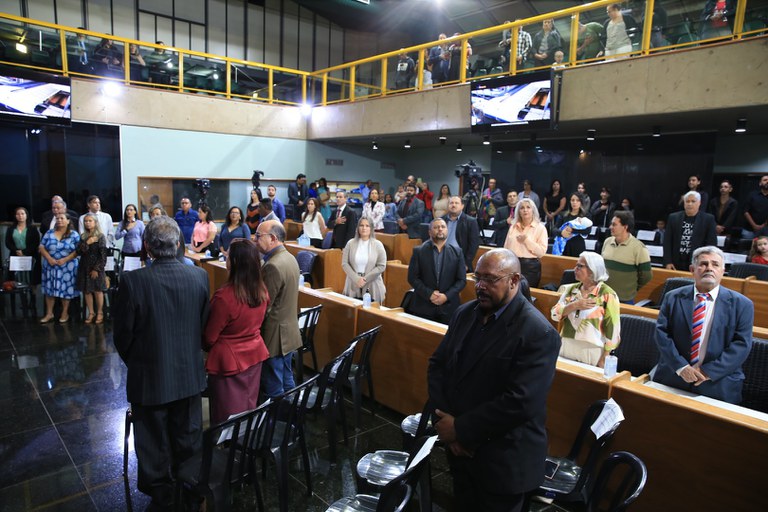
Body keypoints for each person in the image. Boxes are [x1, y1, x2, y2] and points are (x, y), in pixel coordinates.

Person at [428, 248, 560, 511]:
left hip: (504, 461)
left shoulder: (537, 331)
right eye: (477, 278)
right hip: (460, 453)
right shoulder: (464, 314)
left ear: (514, 281)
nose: (480, 286)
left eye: (490, 279)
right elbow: (438, 366)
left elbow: (520, 402)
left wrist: (460, 429)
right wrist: (446, 426)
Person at [114, 216, 210, 509]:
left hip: (150, 378)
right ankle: (188, 489)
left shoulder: (133, 281)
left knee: (153, 443)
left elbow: (122, 336)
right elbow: (202, 326)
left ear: (147, 246)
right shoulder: (200, 277)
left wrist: (142, 363)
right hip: (189, 375)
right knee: (188, 437)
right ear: (179, 243)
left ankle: (163, 496)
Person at [651, 246, 753, 404]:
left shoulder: (742, 304)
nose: (709, 268)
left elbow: (741, 345)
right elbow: (662, 334)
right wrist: (681, 367)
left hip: (718, 383)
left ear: (723, 271)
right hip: (674, 376)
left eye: (715, 264)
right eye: (703, 264)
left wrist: (707, 371)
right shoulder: (673, 297)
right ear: (692, 269)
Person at [203, 239, 271, 425]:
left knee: (226, 414)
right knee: (248, 406)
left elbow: (209, 337)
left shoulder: (225, 297)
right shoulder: (261, 290)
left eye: (227, 256)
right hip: (254, 354)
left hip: (228, 362)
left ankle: (228, 443)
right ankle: (245, 439)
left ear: (233, 262)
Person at [255, 220, 302, 398]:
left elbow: (265, 306)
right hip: (288, 332)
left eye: (259, 236)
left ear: (273, 238)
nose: (255, 239)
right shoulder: (290, 257)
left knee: (273, 387)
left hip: (275, 337)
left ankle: (279, 415)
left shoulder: (272, 265)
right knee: (287, 380)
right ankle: (292, 412)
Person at [551, 252, 621, 367]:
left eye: (580, 266)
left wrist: (606, 356)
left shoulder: (607, 294)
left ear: (593, 270)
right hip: (567, 344)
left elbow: (613, 329)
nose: (575, 269)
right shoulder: (571, 290)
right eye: (576, 265)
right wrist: (574, 305)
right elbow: (554, 314)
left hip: (591, 349)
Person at [407, 218, 467, 324]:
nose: (440, 229)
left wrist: (446, 296)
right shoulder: (418, 251)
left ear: (447, 230)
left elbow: (461, 280)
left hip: (449, 307)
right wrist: (429, 294)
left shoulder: (457, 252)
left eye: (443, 227)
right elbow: (412, 278)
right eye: (436, 227)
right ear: (429, 232)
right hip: (423, 305)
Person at [602, 211, 653, 304]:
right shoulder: (607, 242)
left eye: (614, 225)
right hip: (603, 296)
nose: (610, 227)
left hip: (624, 299)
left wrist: (631, 288)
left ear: (625, 227)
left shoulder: (639, 247)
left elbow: (646, 276)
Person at [39, 213, 80, 324]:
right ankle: (49, 313)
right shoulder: (49, 233)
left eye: (62, 218)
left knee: (66, 290)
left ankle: (65, 313)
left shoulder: (74, 234)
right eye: (57, 218)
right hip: (50, 265)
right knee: (49, 290)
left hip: (68, 266)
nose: (59, 220)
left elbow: (79, 250)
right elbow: (41, 247)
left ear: (68, 221)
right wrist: (49, 258)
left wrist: (65, 259)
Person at [663, 191, 717, 270]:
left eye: (693, 201)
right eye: (687, 201)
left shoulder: (708, 219)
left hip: (697, 264)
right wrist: (668, 262)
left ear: (699, 203)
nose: (689, 204)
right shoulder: (673, 217)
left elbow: (711, 244)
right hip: (675, 262)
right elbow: (667, 241)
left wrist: (705, 264)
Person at [504, 198, 548, 287]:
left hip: (530, 267)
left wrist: (526, 241)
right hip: (513, 265)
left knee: (525, 292)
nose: (525, 210)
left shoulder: (540, 228)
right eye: (522, 208)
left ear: (533, 210)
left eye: (528, 207)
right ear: (518, 211)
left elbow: (541, 253)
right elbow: (506, 248)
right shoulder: (513, 227)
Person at [341, 218, 387, 303]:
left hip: (372, 285)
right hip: (353, 283)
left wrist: (365, 279)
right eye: (361, 225)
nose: (364, 228)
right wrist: (356, 279)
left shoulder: (378, 245)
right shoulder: (350, 243)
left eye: (367, 226)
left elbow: (381, 266)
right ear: (358, 228)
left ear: (371, 228)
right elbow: (345, 263)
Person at [76, 213, 108, 324]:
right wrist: (87, 243)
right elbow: (79, 251)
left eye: (90, 221)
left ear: (95, 222)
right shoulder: (83, 236)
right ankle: (91, 313)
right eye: (86, 221)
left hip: (96, 267)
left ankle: (100, 312)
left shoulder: (100, 236)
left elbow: (103, 255)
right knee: (87, 291)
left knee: (98, 291)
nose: (87, 223)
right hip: (84, 266)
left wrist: (96, 269)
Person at [5, 206, 41, 289]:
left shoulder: (32, 228)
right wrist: (16, 251)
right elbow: (8, 242)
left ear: (26, 215)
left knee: (31, 279)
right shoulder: (11, 228)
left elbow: (36, 242)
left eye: (22, 214)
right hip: (15, 255)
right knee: (15, 279)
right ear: (15, 216)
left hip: (30, 255)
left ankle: (32, 295)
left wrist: (24, 252)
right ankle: (18, 294)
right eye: (18, 214)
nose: (20, 216)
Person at [443, 196, 480, 272]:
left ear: (462, 206)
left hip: (460, 260)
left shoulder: (470, 221)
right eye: (451, 203)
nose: (453, 205)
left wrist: (466, 263)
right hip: (442, 258)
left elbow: (474, 244)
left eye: (456, 203)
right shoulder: (441, 220)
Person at [742, 174, 768, 238]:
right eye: (765, 180)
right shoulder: (752, 195)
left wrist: (764, 225)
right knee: (747, 244)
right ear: (760, 183)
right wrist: (754, 225)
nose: (767, 181)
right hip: (749, 230)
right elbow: (745, 211)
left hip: (766, 230)